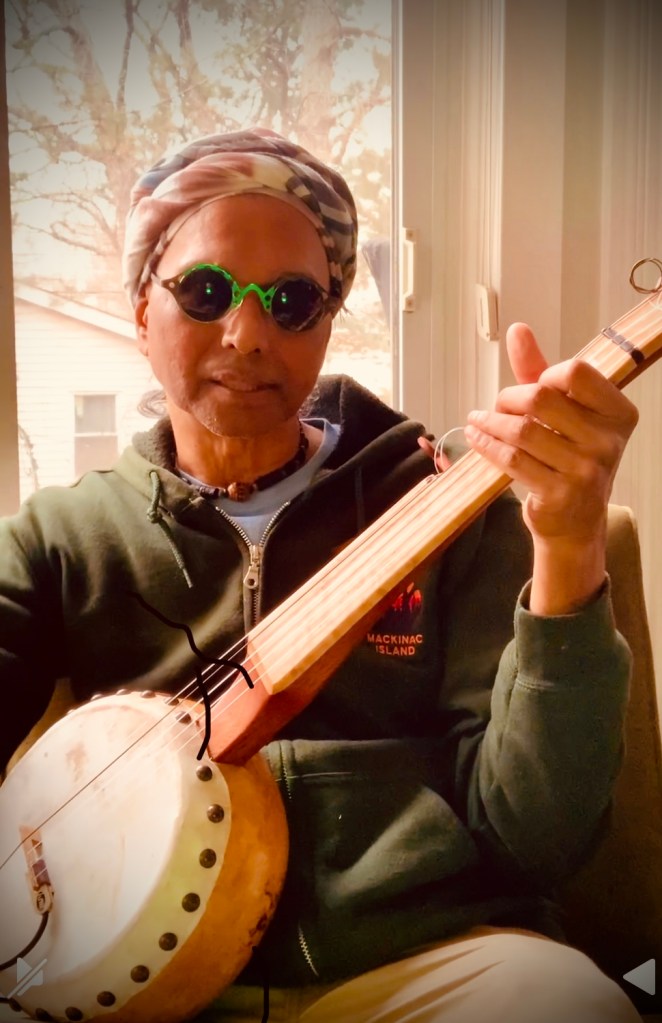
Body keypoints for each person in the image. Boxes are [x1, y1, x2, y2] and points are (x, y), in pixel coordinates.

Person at [0, 129, 642, 1023]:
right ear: (142, 307)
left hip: (423, 956)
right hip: (140, 986)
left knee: (568, 1005)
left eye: (293, 299)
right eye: (206, 289)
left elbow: (537, 836)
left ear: (330, 320)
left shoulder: (450, 499)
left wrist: (568, 546)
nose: (247, 332)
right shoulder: (59, 537)